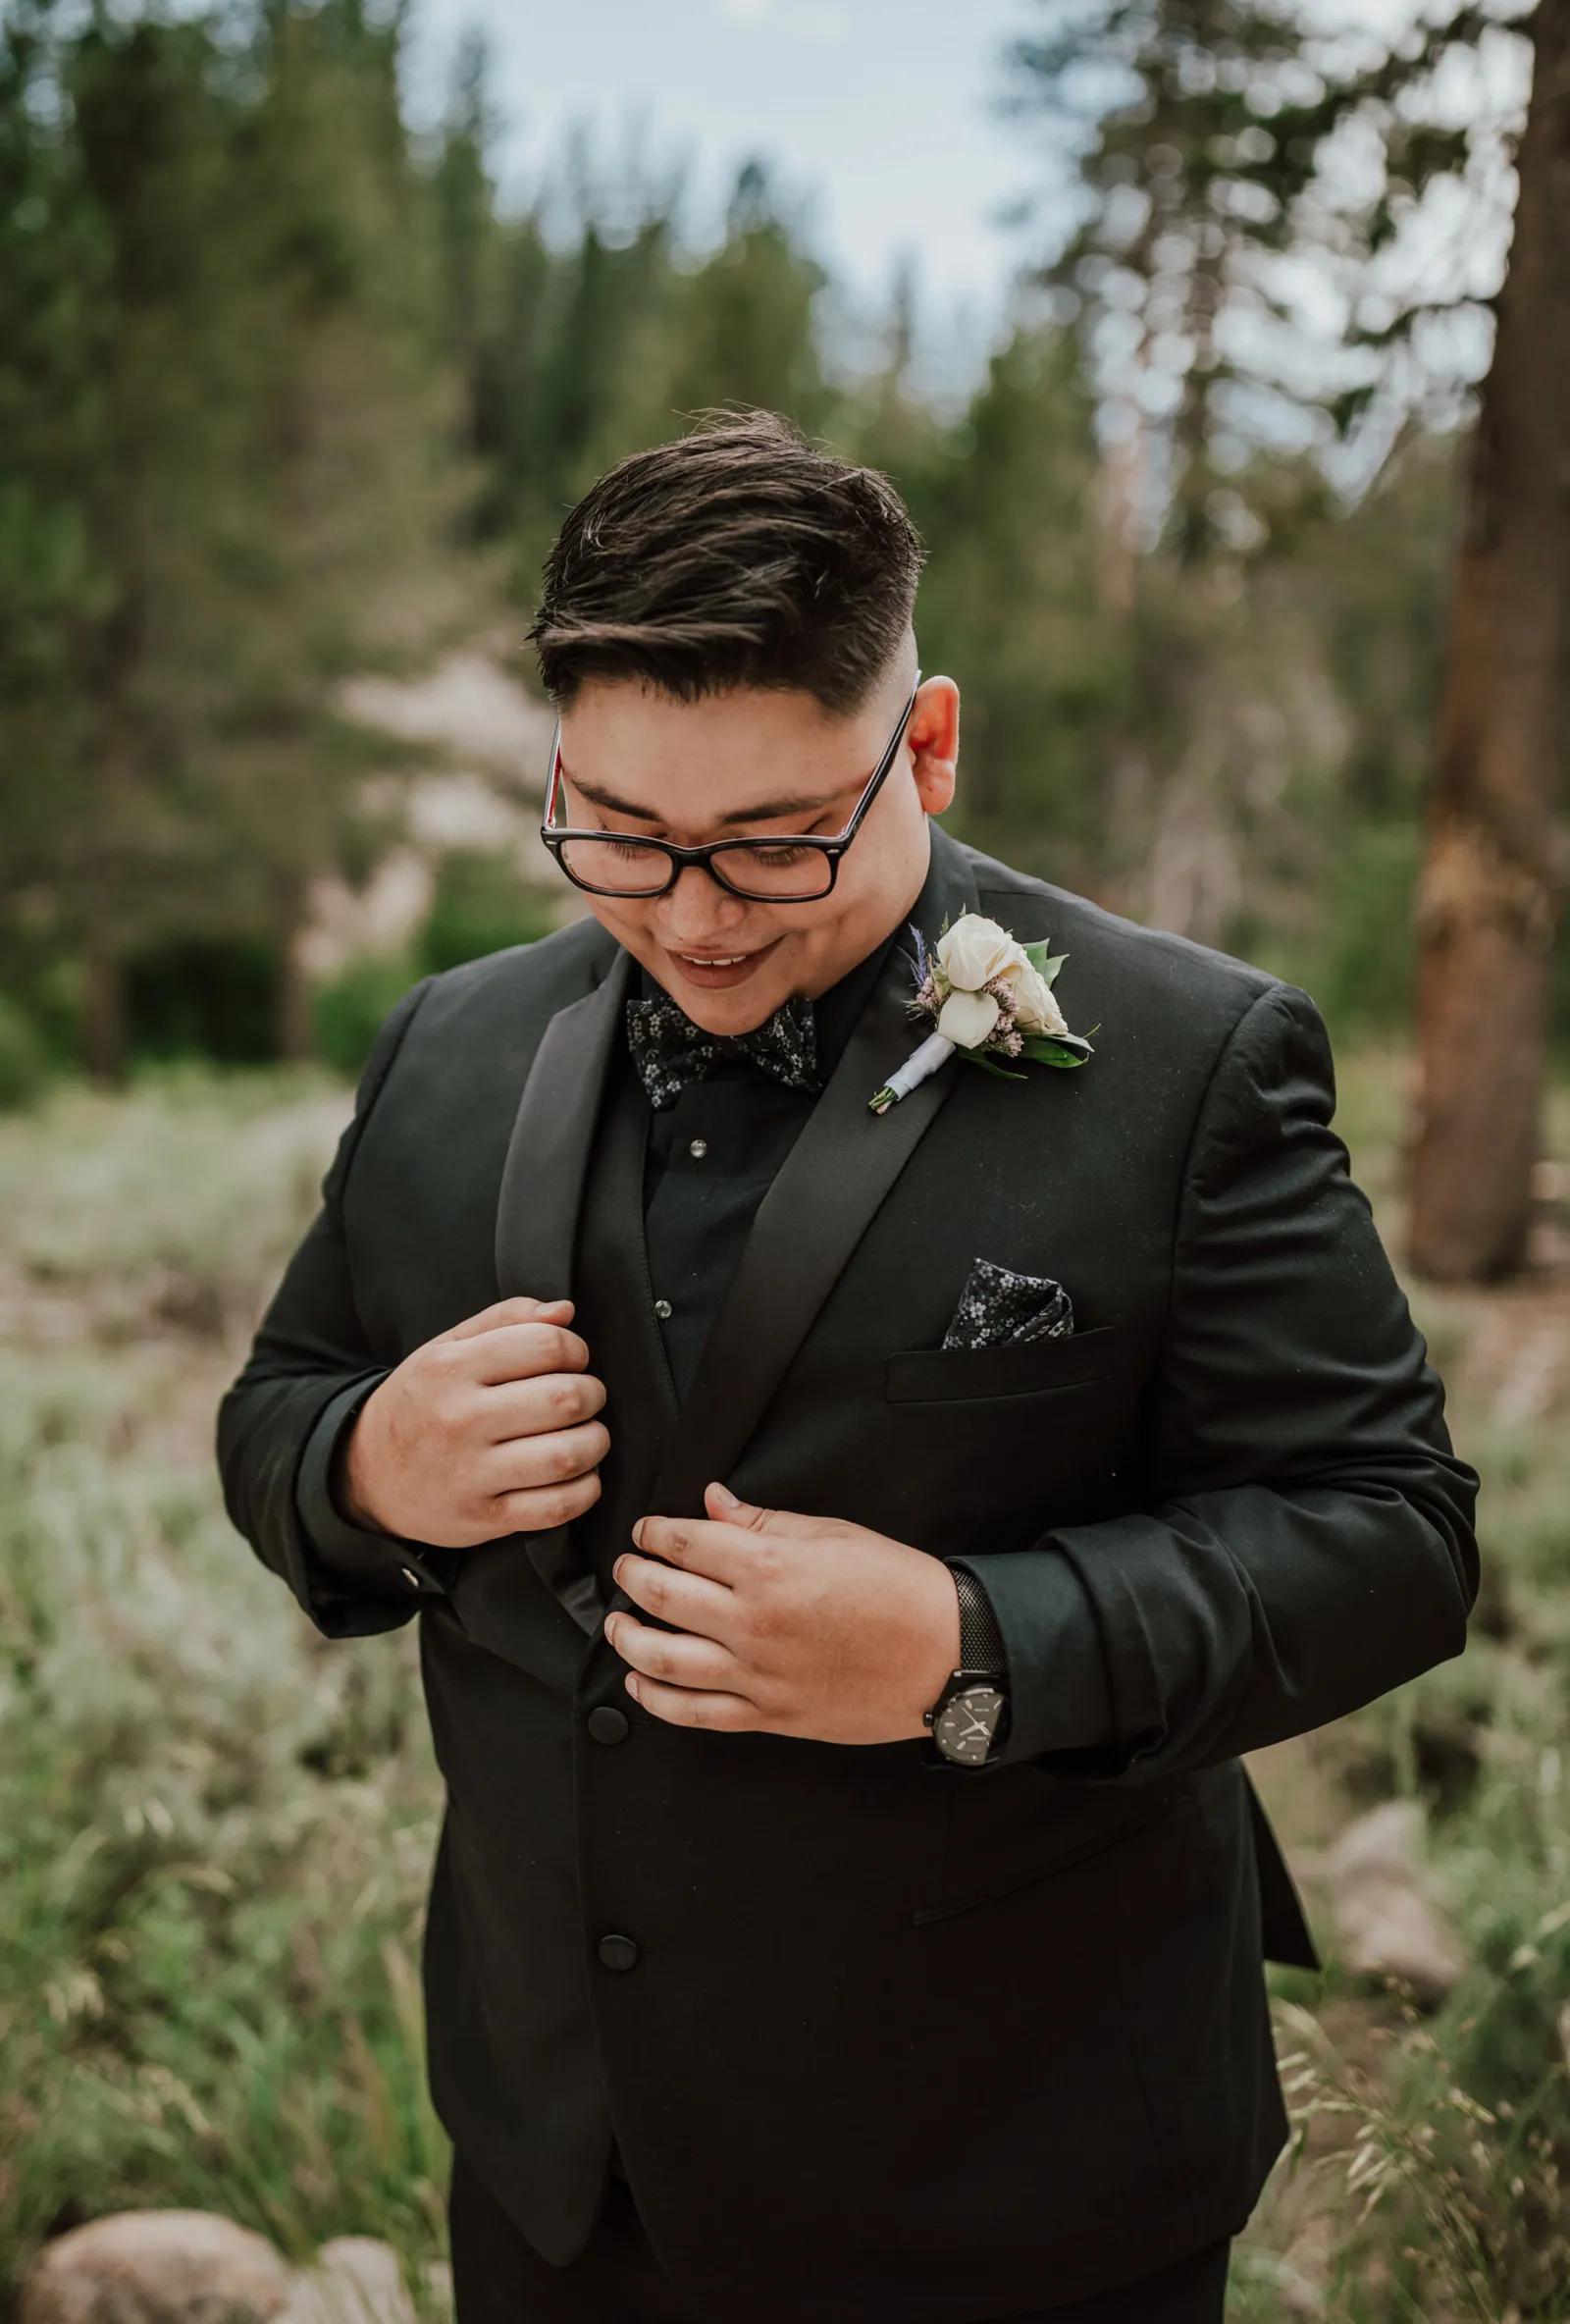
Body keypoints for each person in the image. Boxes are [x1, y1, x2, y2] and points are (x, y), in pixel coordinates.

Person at [219, 411, 1479, 2324]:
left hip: (1012, 2184)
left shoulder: (1183, 1061)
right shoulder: (444, 1047)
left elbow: (1385, 1536)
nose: (693, 914)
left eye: (773, 839)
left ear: (931, 743)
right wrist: (368, 1465)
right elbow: (276, 1411)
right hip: (562, 2171)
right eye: (619, 833)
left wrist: (966, 1643)